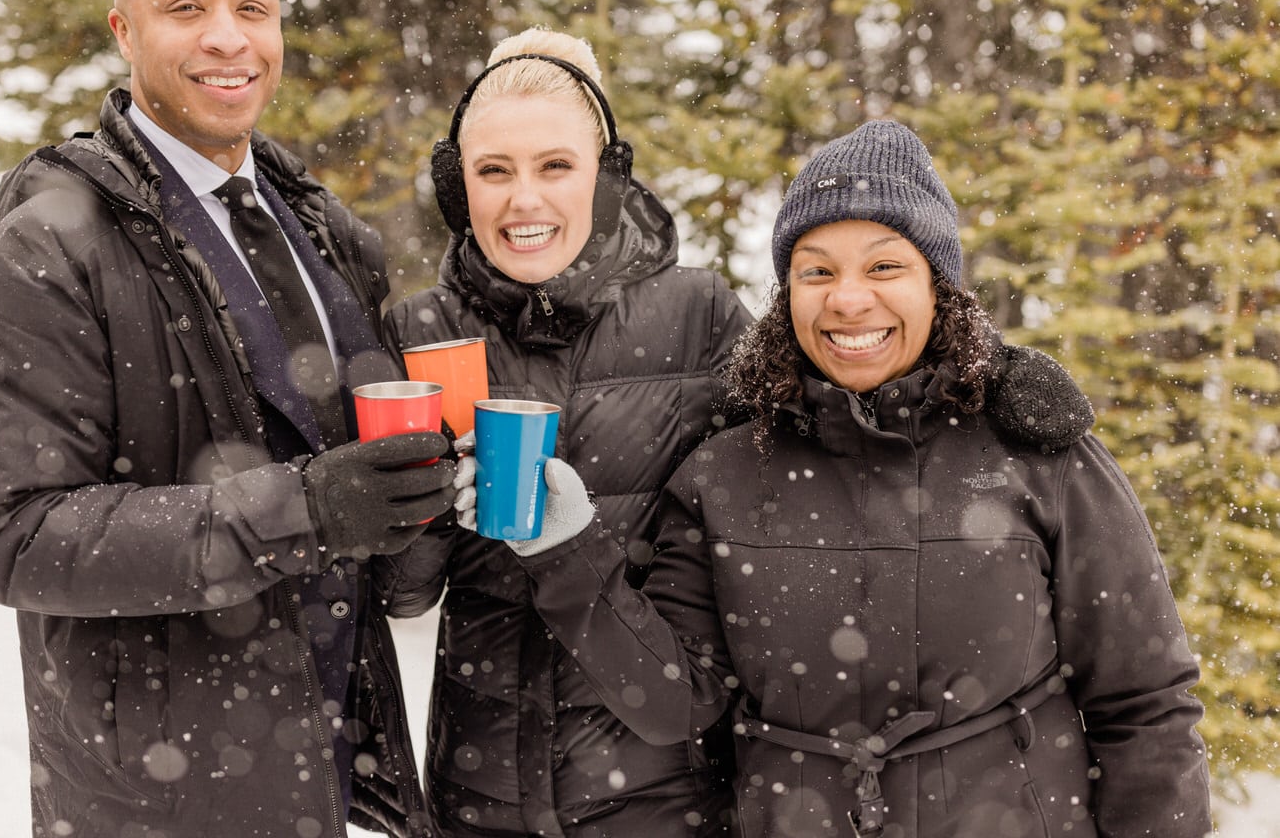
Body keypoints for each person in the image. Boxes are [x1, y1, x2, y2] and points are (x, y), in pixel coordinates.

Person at [502, 120, 1212, 837]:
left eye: (883, 268)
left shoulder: (1034, 454)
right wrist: (565, 552)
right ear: (787, 294)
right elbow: (672, 702)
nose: (847, 300)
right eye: (816, 271)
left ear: (938, 285)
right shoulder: (725, 474)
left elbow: (1145, 702)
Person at [0, 0, 458, 838]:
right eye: (187, 8)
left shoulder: (332, 237)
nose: (229, 36)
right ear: (124, 33)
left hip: (323, 767)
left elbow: (359, 514)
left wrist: (419, 509)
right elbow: (3, 533)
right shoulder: (45, 253)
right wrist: (302, 510)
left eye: (253, 8)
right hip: (155, 795)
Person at [378, 29, 755, 835]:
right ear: (456, 187)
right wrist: (417, 503)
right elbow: (400, 595)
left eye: (556, 166)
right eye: (493, 171)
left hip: (663, 801)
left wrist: (989, 380)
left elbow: (840, 413)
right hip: (476, 802)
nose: (525, 201)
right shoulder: (419, 328)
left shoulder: (700, 317)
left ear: (607, 178)